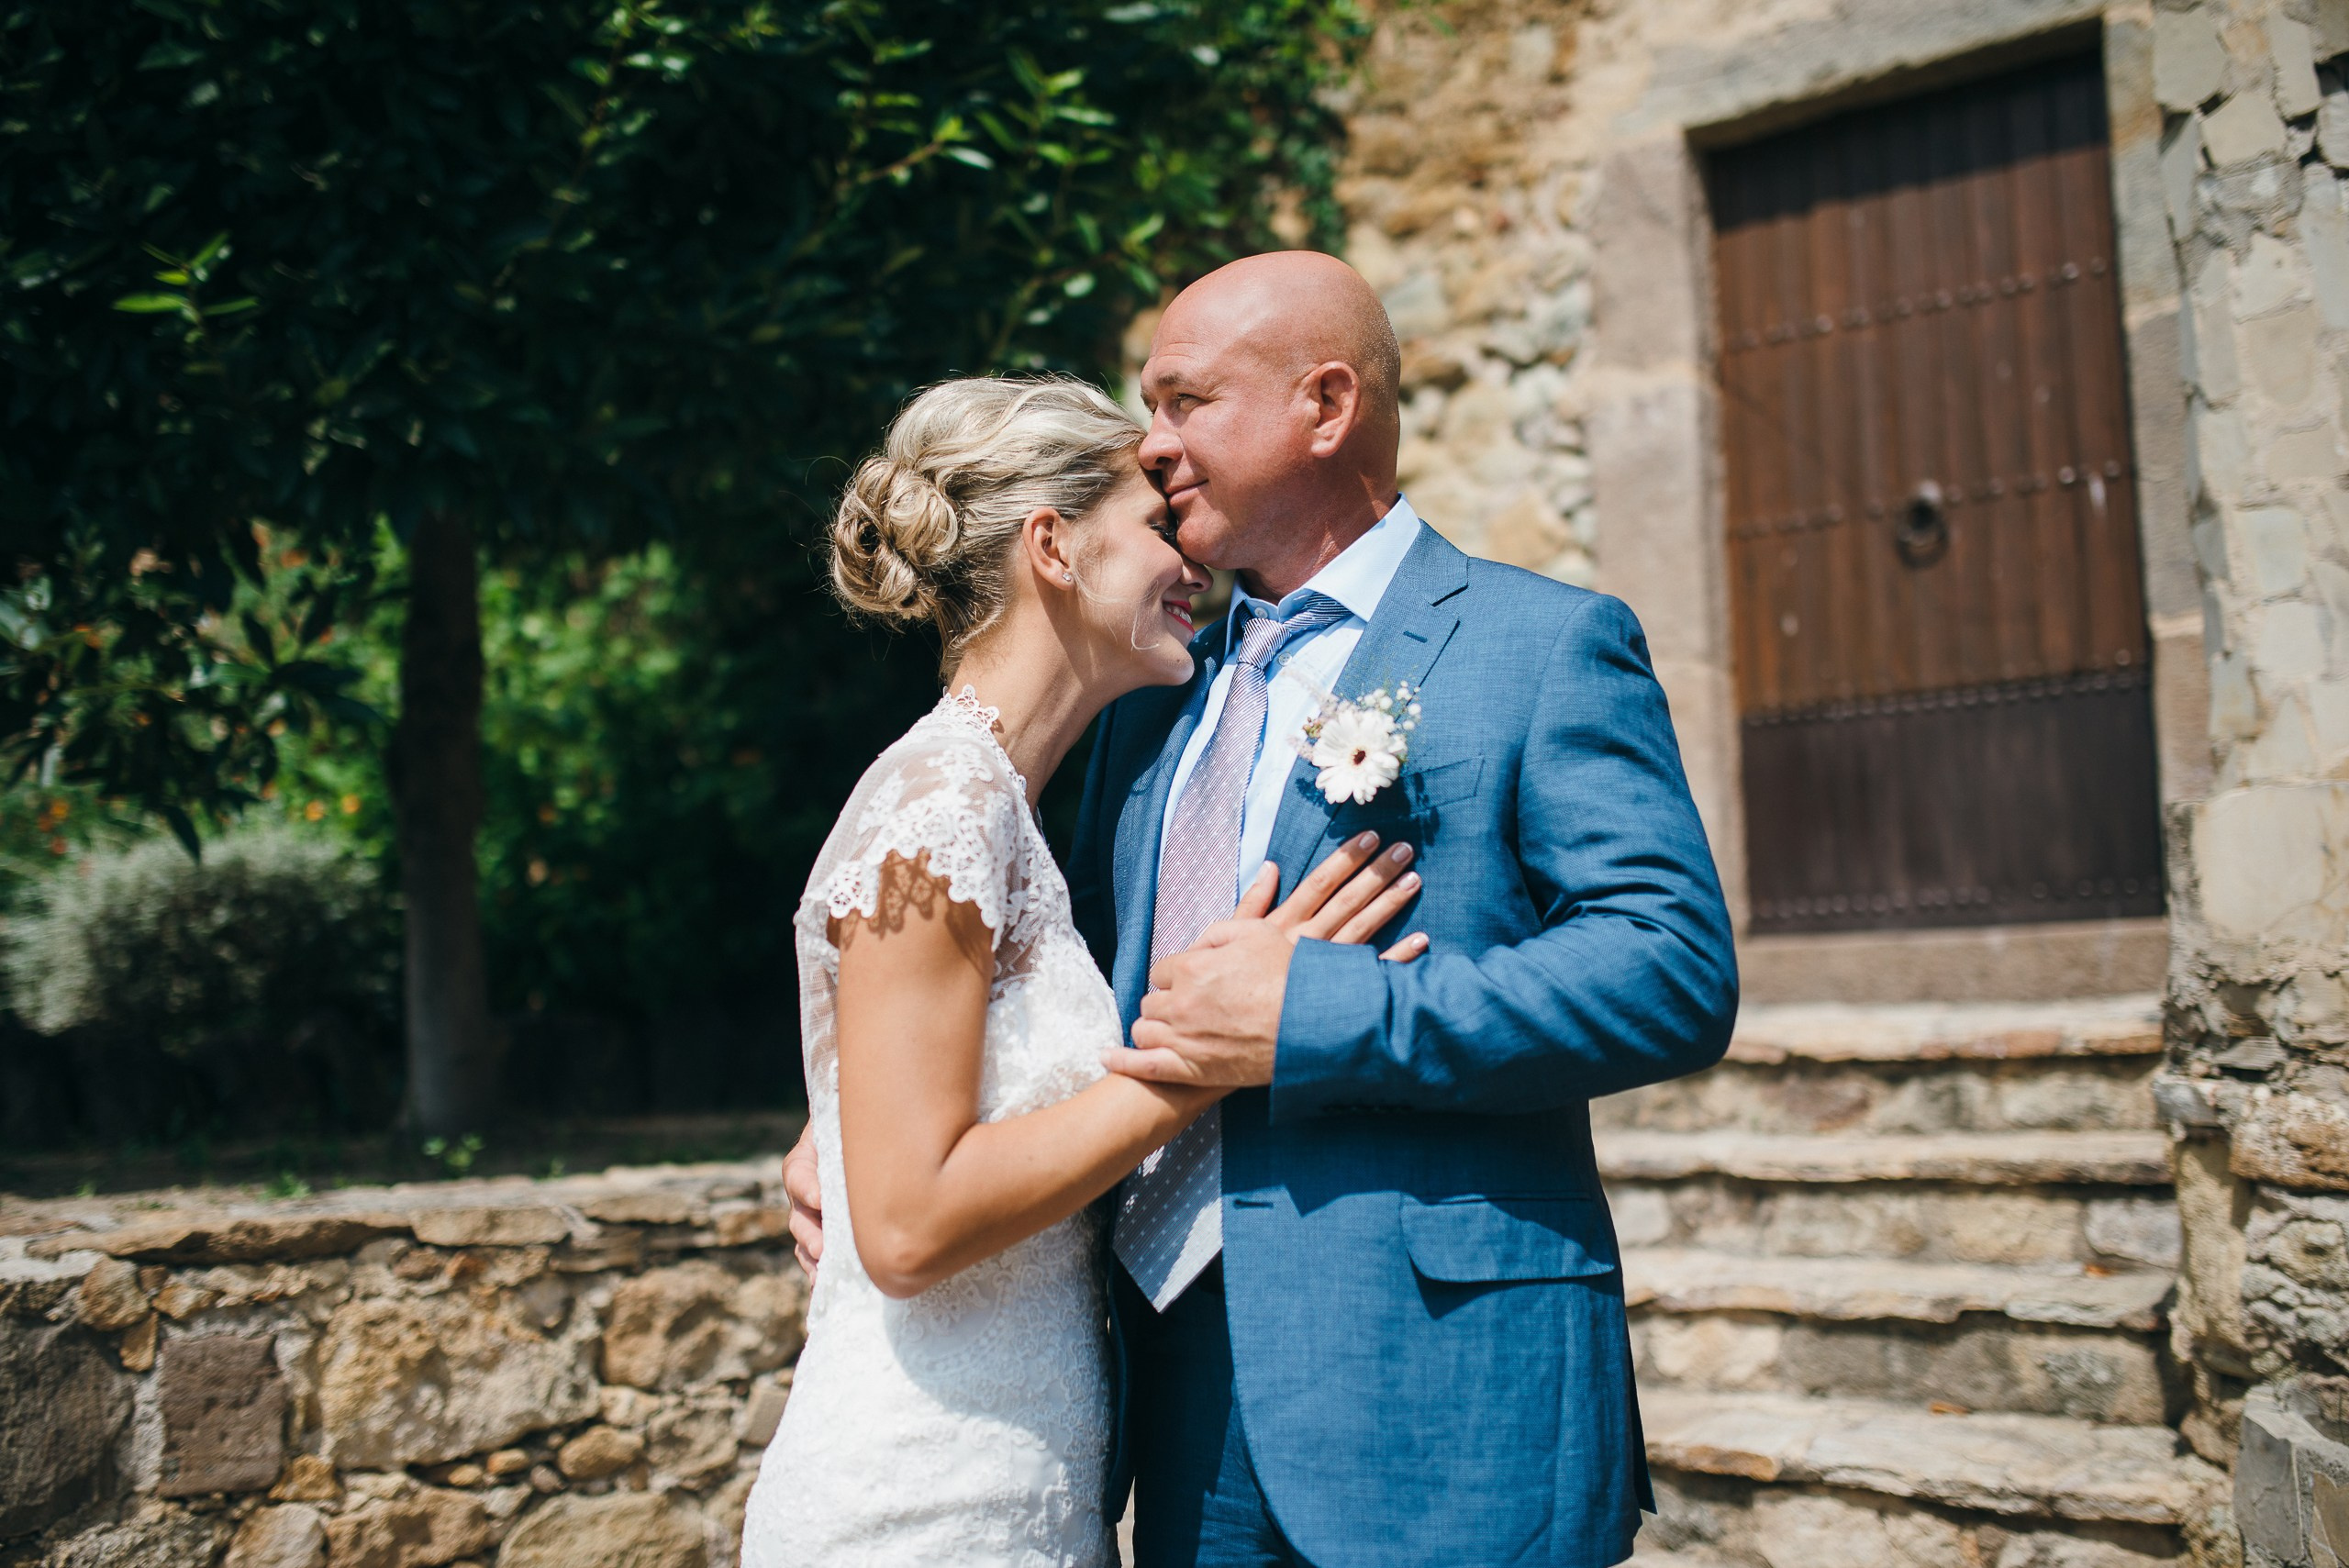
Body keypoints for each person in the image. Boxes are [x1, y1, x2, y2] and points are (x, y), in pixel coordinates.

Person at [784, 250, 1738, 1568]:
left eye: (1185, 401)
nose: (1155, 445)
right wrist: (858, 1116)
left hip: (1438, 1400)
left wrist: (1319, 1010)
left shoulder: (1541, 646)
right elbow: (1040, 988)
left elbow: (1670, 968)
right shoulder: (1146, 699)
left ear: (1326, 405)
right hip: (1168, 1418)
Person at [738, 374, 1429, 1568]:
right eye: (1157, 520)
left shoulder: (1011, 812)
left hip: (1026, 1490)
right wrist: (1205, 1059)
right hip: (920, 1508)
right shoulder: (938, 808)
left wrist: (841, 1120)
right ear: (1052, 546)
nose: (1192, 557)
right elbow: (905, 1226)